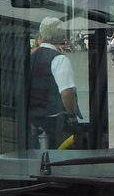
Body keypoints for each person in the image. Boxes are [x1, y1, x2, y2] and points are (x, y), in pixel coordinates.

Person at [28, 16, 80, 148]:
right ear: (61, 36)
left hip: (33, 120)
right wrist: (72, 116)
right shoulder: (60, 59)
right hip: (54, 124)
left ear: (42, 34)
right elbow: (67, 93)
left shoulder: (30, 56)